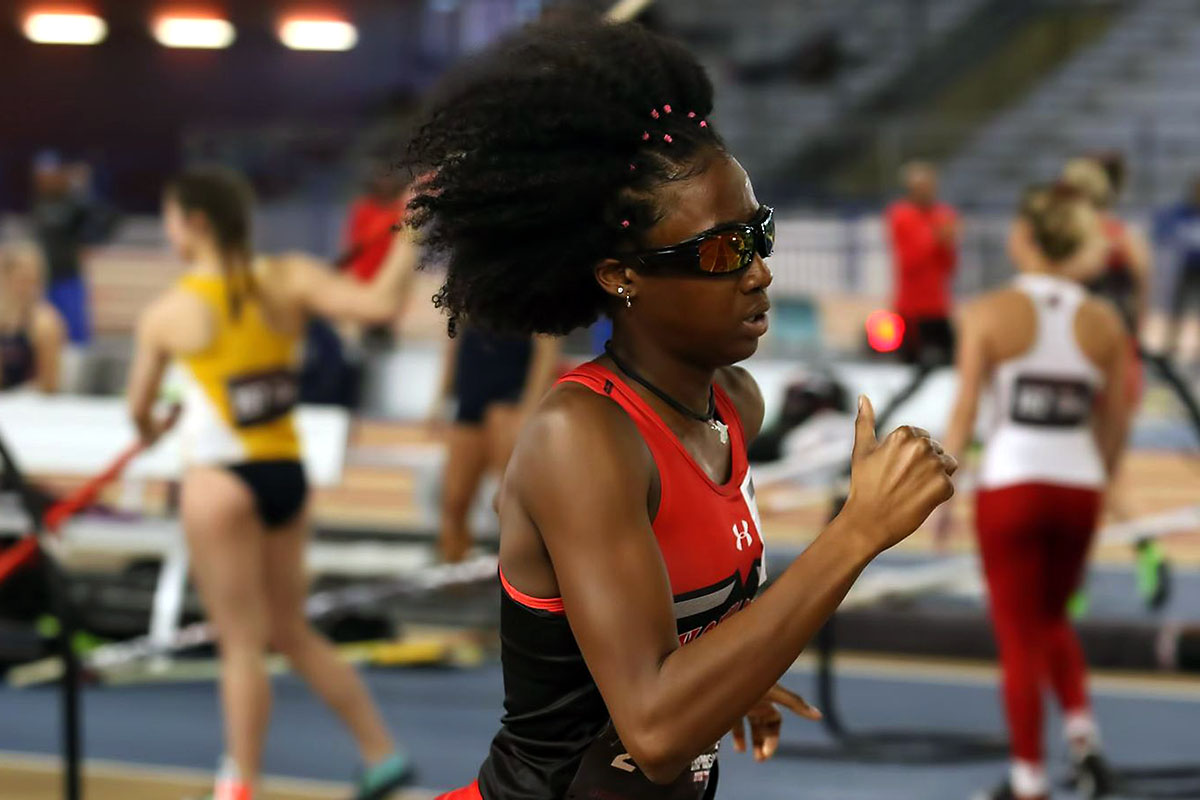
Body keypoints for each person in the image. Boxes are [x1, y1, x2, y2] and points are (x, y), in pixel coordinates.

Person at [403, 18, 957, 800]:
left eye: (758, 235)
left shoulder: (734, 405)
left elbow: (676, 642)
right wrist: (856, 534)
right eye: (723, 250)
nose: (760, 272)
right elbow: (657, 731)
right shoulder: (582, 439)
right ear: (621, 276)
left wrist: (734, 679)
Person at [125, 167, 418, 800]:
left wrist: (156, 424)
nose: (170, 228)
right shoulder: (288, 276)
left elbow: (138, 413)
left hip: (219, 482)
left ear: (195, 223)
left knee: (240, 644)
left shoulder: (170, 312)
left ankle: (239, 785)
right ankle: (381, 753)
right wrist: (412, 234)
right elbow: (379, 306)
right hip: (286, 475)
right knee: (291, 629)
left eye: (172, 217)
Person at [943, 186, 1128, 800]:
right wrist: (1095, 477)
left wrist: (942, 491)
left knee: (1018, 634)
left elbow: (965, 413)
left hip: (1012, 486)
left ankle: (1028, 781)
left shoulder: (989, 312)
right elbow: (1114, 423)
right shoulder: (1105, 321)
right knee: (1052, 618)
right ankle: (1083, 741)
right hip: (1078, 486)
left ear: (1028, 238)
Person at [430, 329, 561, 563]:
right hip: (471, 393)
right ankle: (453, 569)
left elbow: (547, 348)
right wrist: (440, 399)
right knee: (454, 501)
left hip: (510, 393)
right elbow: (454, 342)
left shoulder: (533, 297)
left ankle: (523, 574)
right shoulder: (467, 299)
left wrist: (530, 406)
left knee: (509, 499)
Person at [30, 153, 118, 346]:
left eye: (50, 174)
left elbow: (107, 218)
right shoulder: (39, 205)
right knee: (46, 333)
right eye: (41, 174)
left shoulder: (74, 203)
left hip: (69, 276)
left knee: (75, 335)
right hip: (46, 278)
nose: (45, 179)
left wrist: (91, 240)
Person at [885, 160, 959, 367]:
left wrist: (948, 243)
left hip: (937, 306)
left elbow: (949, 266)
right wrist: (937, 237)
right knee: (908, 366)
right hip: (911, 309)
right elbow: (909, 261)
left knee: (947, 365)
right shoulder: (901, 216)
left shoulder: (943, 215)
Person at [1149, 174, 1200, 367]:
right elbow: (1163, 228)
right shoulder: (1182, 212)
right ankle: (1169, 346)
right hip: (1189, 267)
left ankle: (1195, 352)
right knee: (1177, 307)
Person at [0, 241, 65, 392]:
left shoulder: (45, 322)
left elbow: (50, 385)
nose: (30, 288)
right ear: (6, 279)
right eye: (23, 280)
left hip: (32, 406)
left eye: (35, 281)